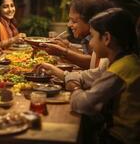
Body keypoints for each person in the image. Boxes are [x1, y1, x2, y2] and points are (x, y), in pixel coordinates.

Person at [36, 8, 140, 144]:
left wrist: (74, 89)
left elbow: (83, 104)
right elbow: (89, 76)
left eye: (93, 37)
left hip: (119, 139)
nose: (90, 43)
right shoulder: (125, 60)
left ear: (107, 38)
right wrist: (56, 71)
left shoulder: (120, 70)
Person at [35, 0, 114, 69]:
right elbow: (88, 57)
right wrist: (67, 47)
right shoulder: (89, 37)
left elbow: (94, 64)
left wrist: (63, 52)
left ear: (91, 20)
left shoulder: (103, 39)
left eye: (74, 21)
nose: (69, 24)